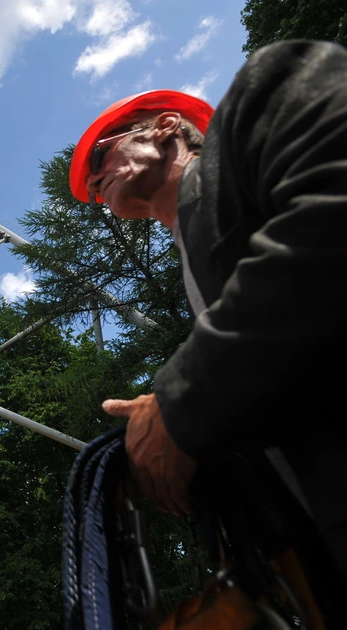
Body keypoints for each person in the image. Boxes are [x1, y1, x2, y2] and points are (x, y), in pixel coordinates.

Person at [68, 39, 347, 610]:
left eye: (99, 157)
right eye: (91, 186)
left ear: (167, 126)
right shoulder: (197, 267)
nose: (93, 184)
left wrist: (180, 402)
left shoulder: (266, 91)